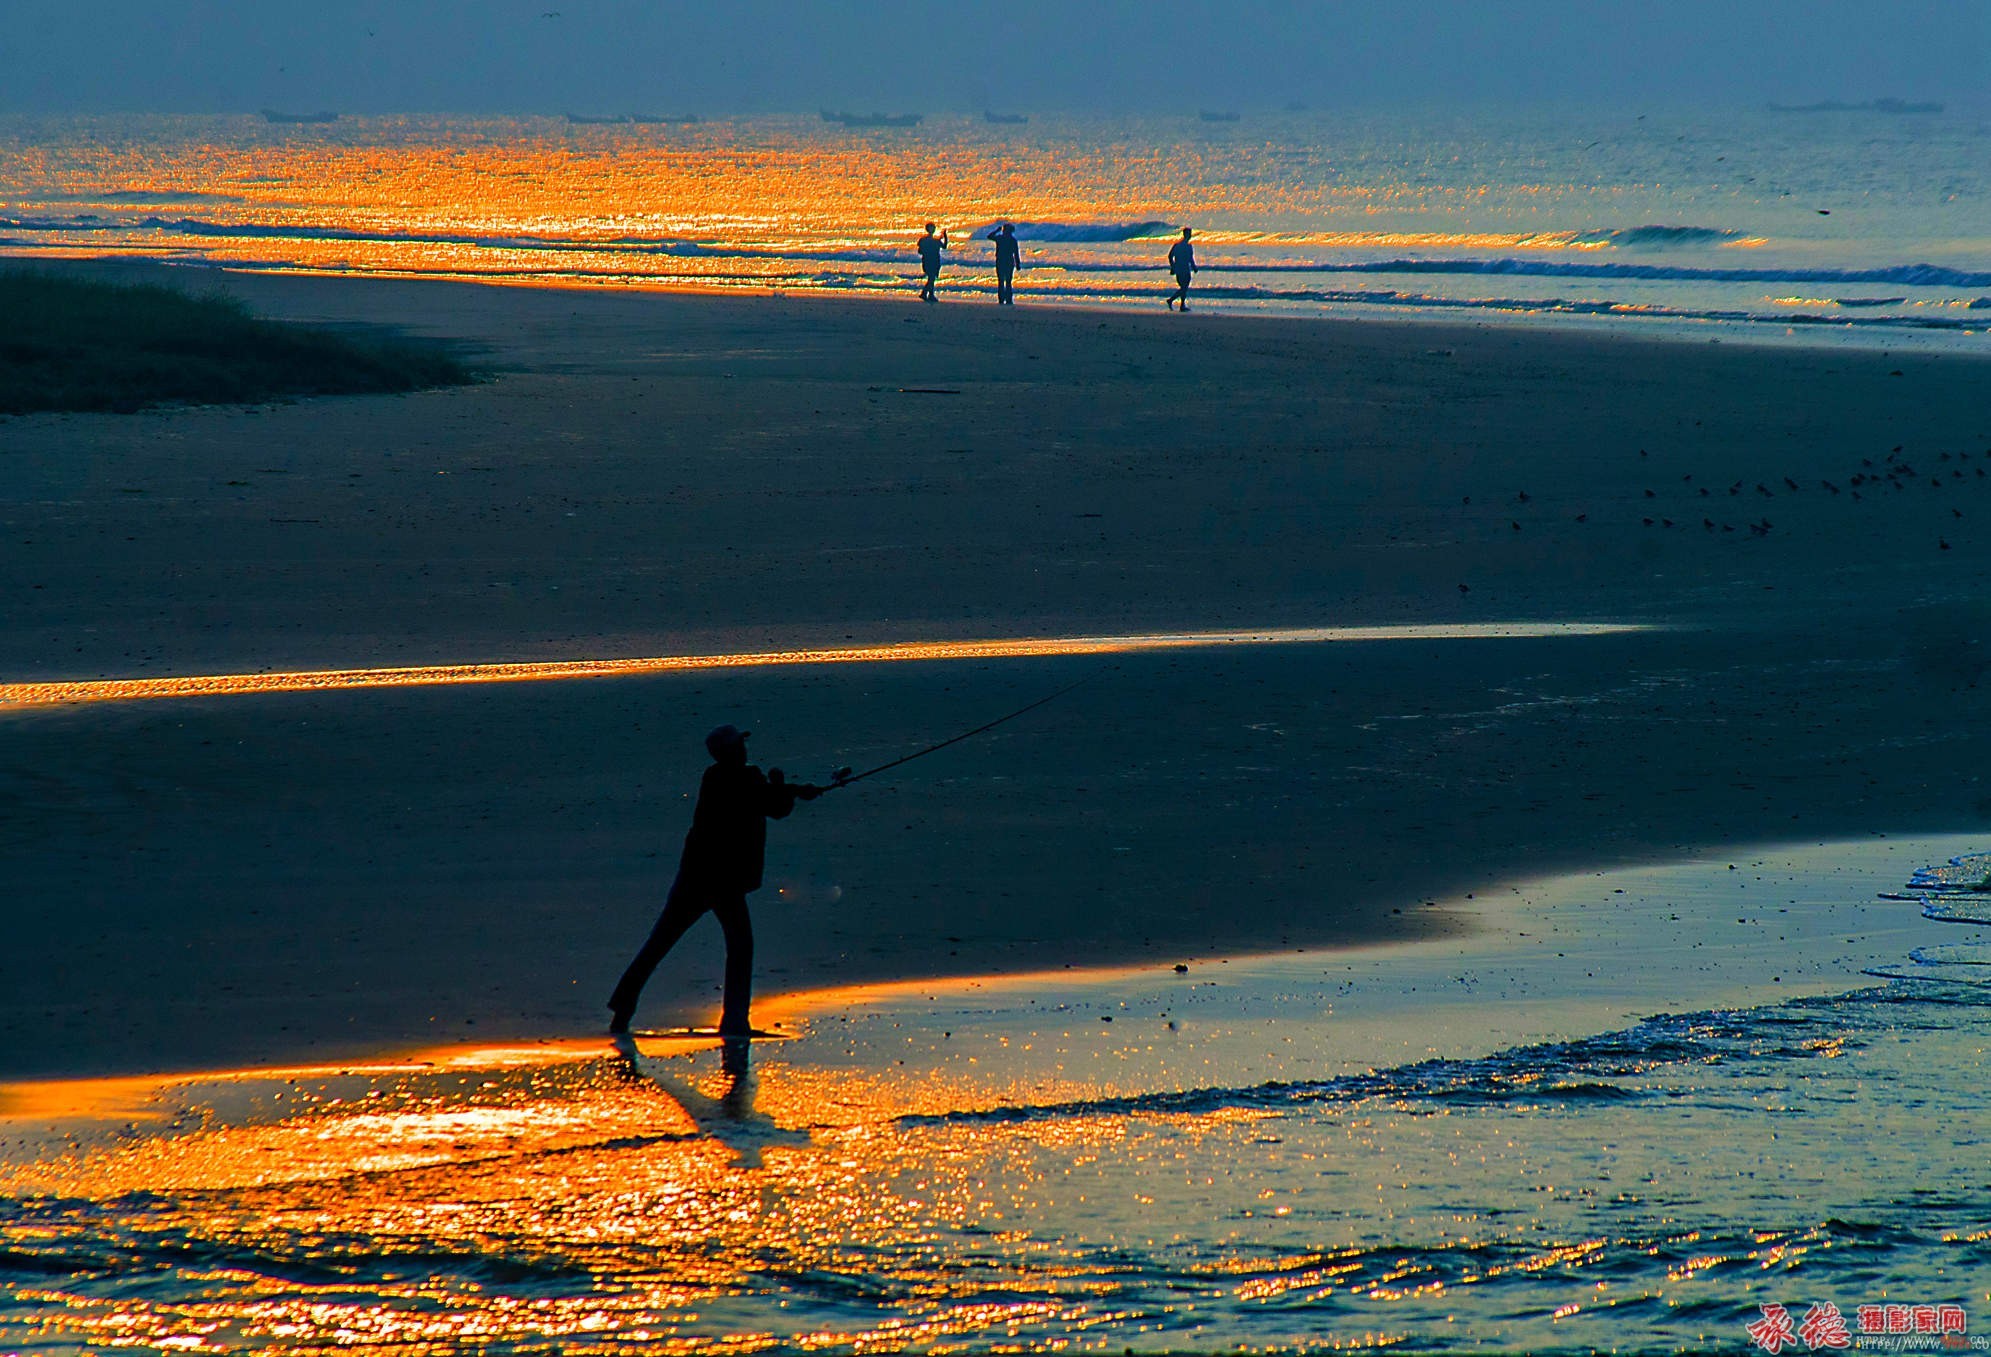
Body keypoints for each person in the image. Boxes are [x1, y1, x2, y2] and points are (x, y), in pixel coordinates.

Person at [607, 724, 824, 1036]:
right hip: (723, 881)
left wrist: (786, 789)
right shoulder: (742, 778)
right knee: (740, 947)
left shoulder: (715, 776)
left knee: (660, 942)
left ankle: (623, 1005)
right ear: (732, 751)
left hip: (694, 877)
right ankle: (734, 1021)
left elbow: (767, 801)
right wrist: (787, 787)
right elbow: (772, 806)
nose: (745, 749)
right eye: (739, 745)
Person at [987, 221, 1020, 304]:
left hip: (1002, 261)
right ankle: (1007, 299)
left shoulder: (1001, 238)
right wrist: (1017, 264)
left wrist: (996, 231)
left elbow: (990, 236)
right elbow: (1016, 253)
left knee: (1002, 281)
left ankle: (1003, 299)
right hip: (1007, 262)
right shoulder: (1012, 240)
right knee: (1007, 281)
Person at [1166, 226, 1197, 310]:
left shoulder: (1181, 245)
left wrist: (1194, 267)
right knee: (1184, 288)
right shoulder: (1184, 246)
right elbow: (1170, 256)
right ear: (1185, 234)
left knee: (1184, 287)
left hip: (1182, 269)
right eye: (1189, 234)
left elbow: (1190, 258)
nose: (1190, 235)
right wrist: (1173, 266)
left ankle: (1181, 305)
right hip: (1182, 269)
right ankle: (1172, 301)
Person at [917, 221, 948, 301]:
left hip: (933, 261)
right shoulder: (928, 240)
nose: (933, 229)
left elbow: (944, 246)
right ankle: (925, 293)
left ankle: (930, 295)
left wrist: (945, 237)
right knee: (931, 278)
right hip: (929, 261)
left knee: (932, 278)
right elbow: (920, 251)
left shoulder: (932, 240)